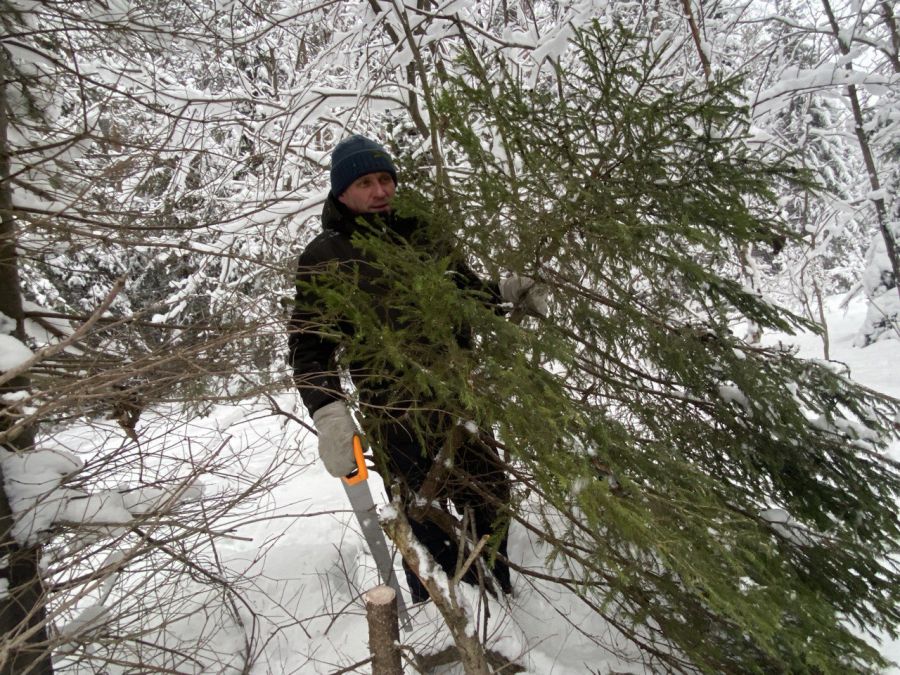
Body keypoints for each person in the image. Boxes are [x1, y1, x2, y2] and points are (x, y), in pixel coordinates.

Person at [288, 134, 547, 603]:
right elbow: (309, 347)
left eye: (385, 178)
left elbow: (465, 292)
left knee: (490, 496)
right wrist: (327, 410)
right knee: (417, 515)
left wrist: (506, 292)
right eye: (365, 182)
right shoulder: (325, 256)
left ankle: (497, 593)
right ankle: (441, 609)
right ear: (342, 191)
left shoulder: (423, 233)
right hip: (394, 410)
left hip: (457, 394)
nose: (380, 190)